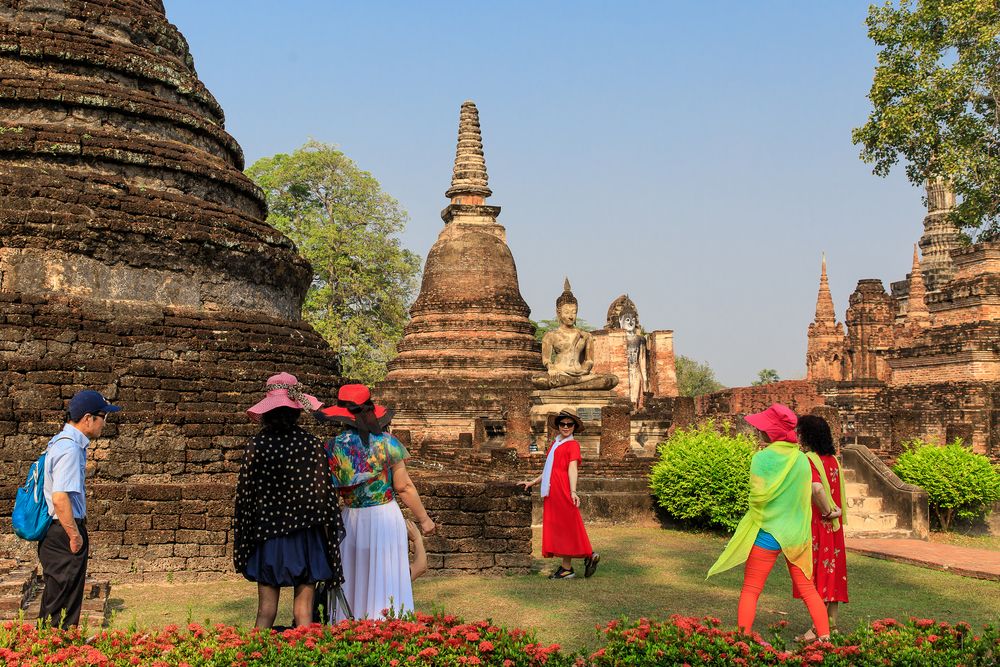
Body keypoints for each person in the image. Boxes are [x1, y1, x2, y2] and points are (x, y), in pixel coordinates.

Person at [707, 404, 831, 641]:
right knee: (808, 589)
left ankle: (743, 640)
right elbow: (810, 494)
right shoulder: (803, 461)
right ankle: (826, 639)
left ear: (772, 432)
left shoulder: (761, 458)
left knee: (751, 590)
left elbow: (757, 497)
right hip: (795, 535)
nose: (759, 431)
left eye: (763, 427)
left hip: (767, 532)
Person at [233, 373, 344, 629]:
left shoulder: (256, 445)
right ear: (296, 410)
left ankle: (254, 658)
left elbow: (246, 497)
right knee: (304, 613)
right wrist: (328, 537)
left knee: (265, 612)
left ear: (267, 410)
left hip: (268, 537)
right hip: (305, 537)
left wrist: (248, 537)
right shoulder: (311, 444)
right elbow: (324, 496)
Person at [318, 384, 435, 620]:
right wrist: (424, 519)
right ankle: (387, 629)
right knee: (387, 578)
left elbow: (328, 490)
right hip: (384, 517)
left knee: (353, 578)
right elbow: (404, 486)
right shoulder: (387, 443)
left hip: (351, 518)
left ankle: (349, 630)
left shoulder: (332, 447)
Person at [39, 390, 120, 629]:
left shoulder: (60, 442)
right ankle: (56, 652)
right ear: (88, 418)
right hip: (64, 531)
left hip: (57, 531)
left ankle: (49, 649)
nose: (105, 423)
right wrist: (74, 535)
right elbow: (60, 497)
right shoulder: (70, 448)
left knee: (58, 599)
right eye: (103, 417)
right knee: (62, 603)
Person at [521, 409, 600, 580]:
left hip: (563, 488)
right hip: (552, 489)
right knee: (561, 525)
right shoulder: (555, 444)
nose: (565, 427)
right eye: (562, 424)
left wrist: (573, 491)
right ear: (558, 426)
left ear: (574, 427)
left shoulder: (573, 445)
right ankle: (581, 559)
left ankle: (574, 564)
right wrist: (533, 482)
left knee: (568, 524)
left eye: (569, 424)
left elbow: (572, 468)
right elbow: (549, 469)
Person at [794, 415, 847, 640]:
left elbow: (817, 489)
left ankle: (818, 628)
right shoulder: (833, 460)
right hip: (835, 528)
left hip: (819, 524)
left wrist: (827, 510)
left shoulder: (809, 459)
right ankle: (832, 625)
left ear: (807, 436)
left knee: (819, 574)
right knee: (834, 573)